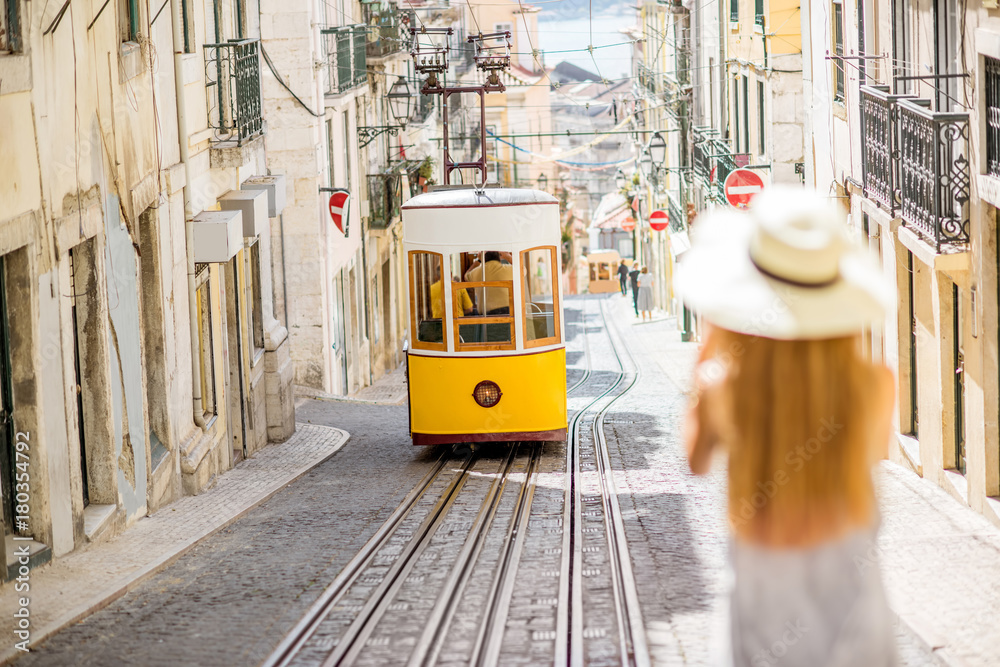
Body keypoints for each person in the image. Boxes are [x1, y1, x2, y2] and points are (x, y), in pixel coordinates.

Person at [675, 187, 898, 667]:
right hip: (857, 614)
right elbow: (874, 452)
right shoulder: (876, 384)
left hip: (759, 617)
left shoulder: (722, 388)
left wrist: (711, 350)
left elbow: (694, 461)